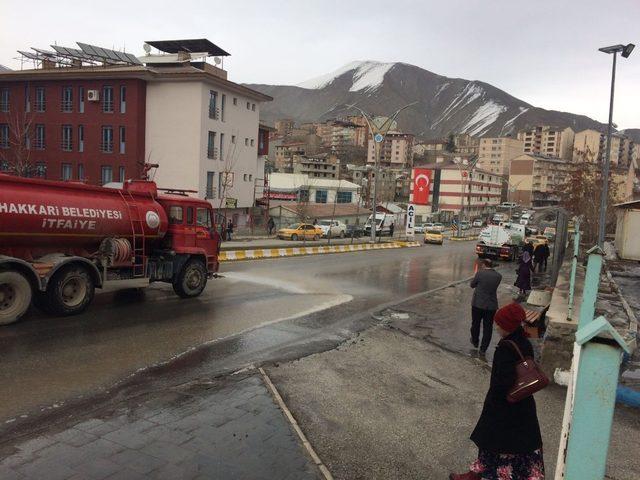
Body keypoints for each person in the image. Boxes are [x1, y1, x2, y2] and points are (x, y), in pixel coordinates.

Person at [450, 303, 544, 480]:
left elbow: (502, 382)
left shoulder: (506, 348)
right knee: (513, 447)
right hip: (523, 403)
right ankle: (476, 473)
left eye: (499, 324)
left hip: (504, 407)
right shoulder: (524, 342)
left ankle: (478, 475)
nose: (496, 327)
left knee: (494, 442)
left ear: (507, 326)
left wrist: (492, 402)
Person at [469, 258, 502, 355]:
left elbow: (472, 285)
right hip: (491, 306)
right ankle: (483, 349)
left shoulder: (480, 273)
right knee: (488, 327)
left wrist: (474, 278)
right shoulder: (498, 276)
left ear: (484, 264)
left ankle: (475, 341)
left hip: (477, 304)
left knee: (475, 323)